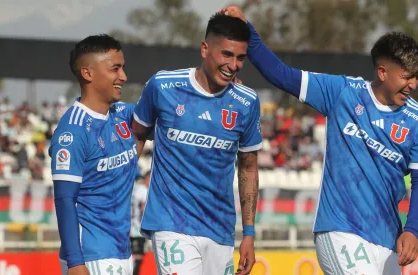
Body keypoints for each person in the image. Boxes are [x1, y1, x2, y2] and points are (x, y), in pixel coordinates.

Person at [222, 6, 418, 275]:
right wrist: (248, 31)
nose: (414, 85)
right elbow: (283, 75)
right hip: (339, 229)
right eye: (407, 76)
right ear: (382, 72)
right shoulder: (342, 92)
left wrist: (414, 230)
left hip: (387, 238)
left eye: (417, 77)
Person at [132, 13, 262, 275]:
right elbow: (137, 136)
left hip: (220, 228)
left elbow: (248, 166)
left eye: (240, 58)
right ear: (205, 49)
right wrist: (116, 195)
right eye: (226, 54)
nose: (233, 65)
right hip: (171, 222)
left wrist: (248, 233)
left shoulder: (247, 102)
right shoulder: (163, 86)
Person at [50, 34, 138, 275]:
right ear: (88, 74)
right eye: (115, 69)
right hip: (90, 257)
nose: (123, 77)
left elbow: (162, 106)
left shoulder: (121, 114)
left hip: (121, 252)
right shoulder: (73, 131)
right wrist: (76, 263)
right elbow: (65, 200)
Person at [130, 171, 150, 275]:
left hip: (130, 228)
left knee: (131, 256)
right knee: (138, 258)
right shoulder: (144, 191)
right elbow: (143, 208)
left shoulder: (135, 189)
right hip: (138, 229)